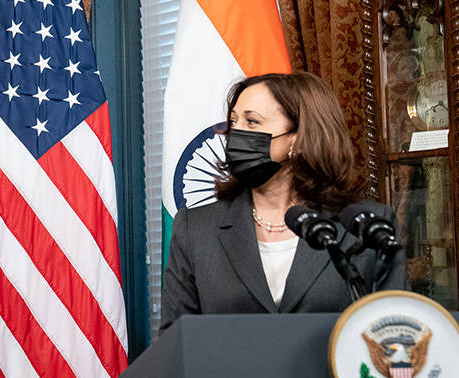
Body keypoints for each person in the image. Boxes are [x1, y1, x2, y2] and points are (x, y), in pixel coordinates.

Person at [161, 71, 405, 332]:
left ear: (298, 139)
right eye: (234, 122)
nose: (236, 133)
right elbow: (174, 342)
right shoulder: (195, 229)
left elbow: (396, 334)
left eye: (252, 121)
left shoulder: (366, 226)